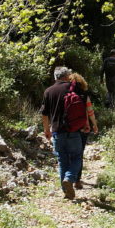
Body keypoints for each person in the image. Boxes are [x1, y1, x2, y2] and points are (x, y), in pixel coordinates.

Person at [39, 66, 87, 200]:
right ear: (67, 76)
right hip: (74, 130)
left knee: (62, 160)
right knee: (77, 157)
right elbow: (85, 106)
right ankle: (69, 178)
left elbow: (44, 113)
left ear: (55, 77)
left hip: (57, 131)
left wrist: (46, 130)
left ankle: (66, 191)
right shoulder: (74, 88)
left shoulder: (48, 91)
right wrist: (86, 124)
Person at [69, 72, 98, 189]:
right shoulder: (84, 95)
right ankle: (77, 180)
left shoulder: (66, 94)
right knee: (79, 154)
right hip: (82, 128)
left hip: (68, 128)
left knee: (69, 154)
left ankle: (68, 177)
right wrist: (94, 125)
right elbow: (90, 111)